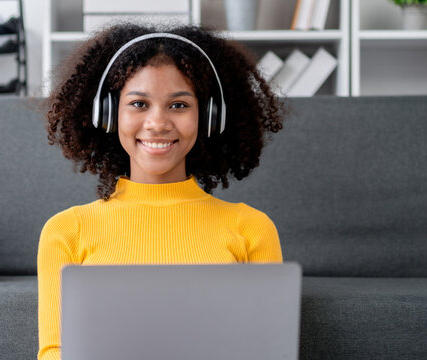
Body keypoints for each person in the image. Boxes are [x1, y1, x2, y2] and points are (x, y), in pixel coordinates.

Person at [37, 23, 285, 360]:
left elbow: (269, 352)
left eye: (179, 105)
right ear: (108, 114)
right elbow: (55, 352)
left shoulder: (252, 229)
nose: (157, 123)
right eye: (139, 104)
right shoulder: (65, 232)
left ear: (210, 117)